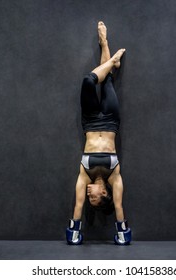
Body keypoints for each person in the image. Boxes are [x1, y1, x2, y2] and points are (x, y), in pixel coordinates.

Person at [66, 22, 131, 245]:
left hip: (91, 122)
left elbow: (77, 205)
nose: (89, 195)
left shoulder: (84, 174)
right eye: (94, 197)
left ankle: (109, 53)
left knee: (89, 81)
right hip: (111, 121)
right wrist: (122, 235)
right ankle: (109, 55)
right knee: (108, 81)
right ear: (104, 193)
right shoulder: (115, 176)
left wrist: (74, 234)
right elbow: (119, 207)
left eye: (89, 197)